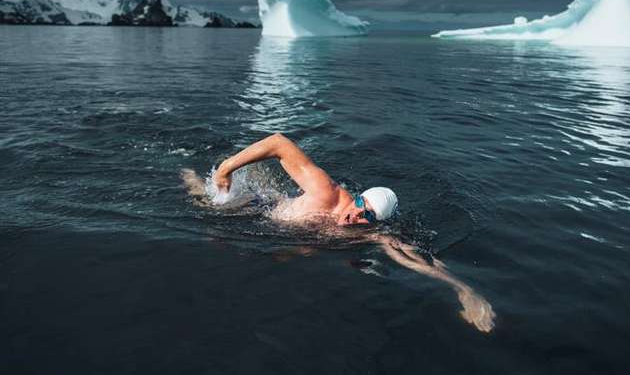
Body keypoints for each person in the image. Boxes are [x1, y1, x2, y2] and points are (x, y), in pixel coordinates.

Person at [181, 132, 495, 332]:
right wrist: (227, 168)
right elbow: (278, 142)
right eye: (360, 203)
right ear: (356, 196)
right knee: (214, 204)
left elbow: (415, 259)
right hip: (258, 207)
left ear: (375, 222)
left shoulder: (369, 234)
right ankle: (193, 176)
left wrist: (464, 290)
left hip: (281, 233)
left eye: (367, 215)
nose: (355, 214)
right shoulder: (325, 191)